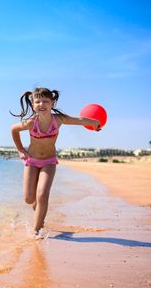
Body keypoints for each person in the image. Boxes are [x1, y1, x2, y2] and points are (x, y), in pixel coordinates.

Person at [10, 88, 101, 239]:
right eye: (38, 101)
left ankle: (37, 229)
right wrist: (20, 149)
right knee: (29, 199)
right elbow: (14, 129)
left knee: (43, 195)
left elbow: (79, 120)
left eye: (46, 101)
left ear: (52, 103)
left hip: (49, 162)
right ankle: (38, 210)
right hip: (32, 161)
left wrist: (94, 123)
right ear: (33, 105)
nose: (42, 104)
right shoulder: (31, 122)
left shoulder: (58, 119)